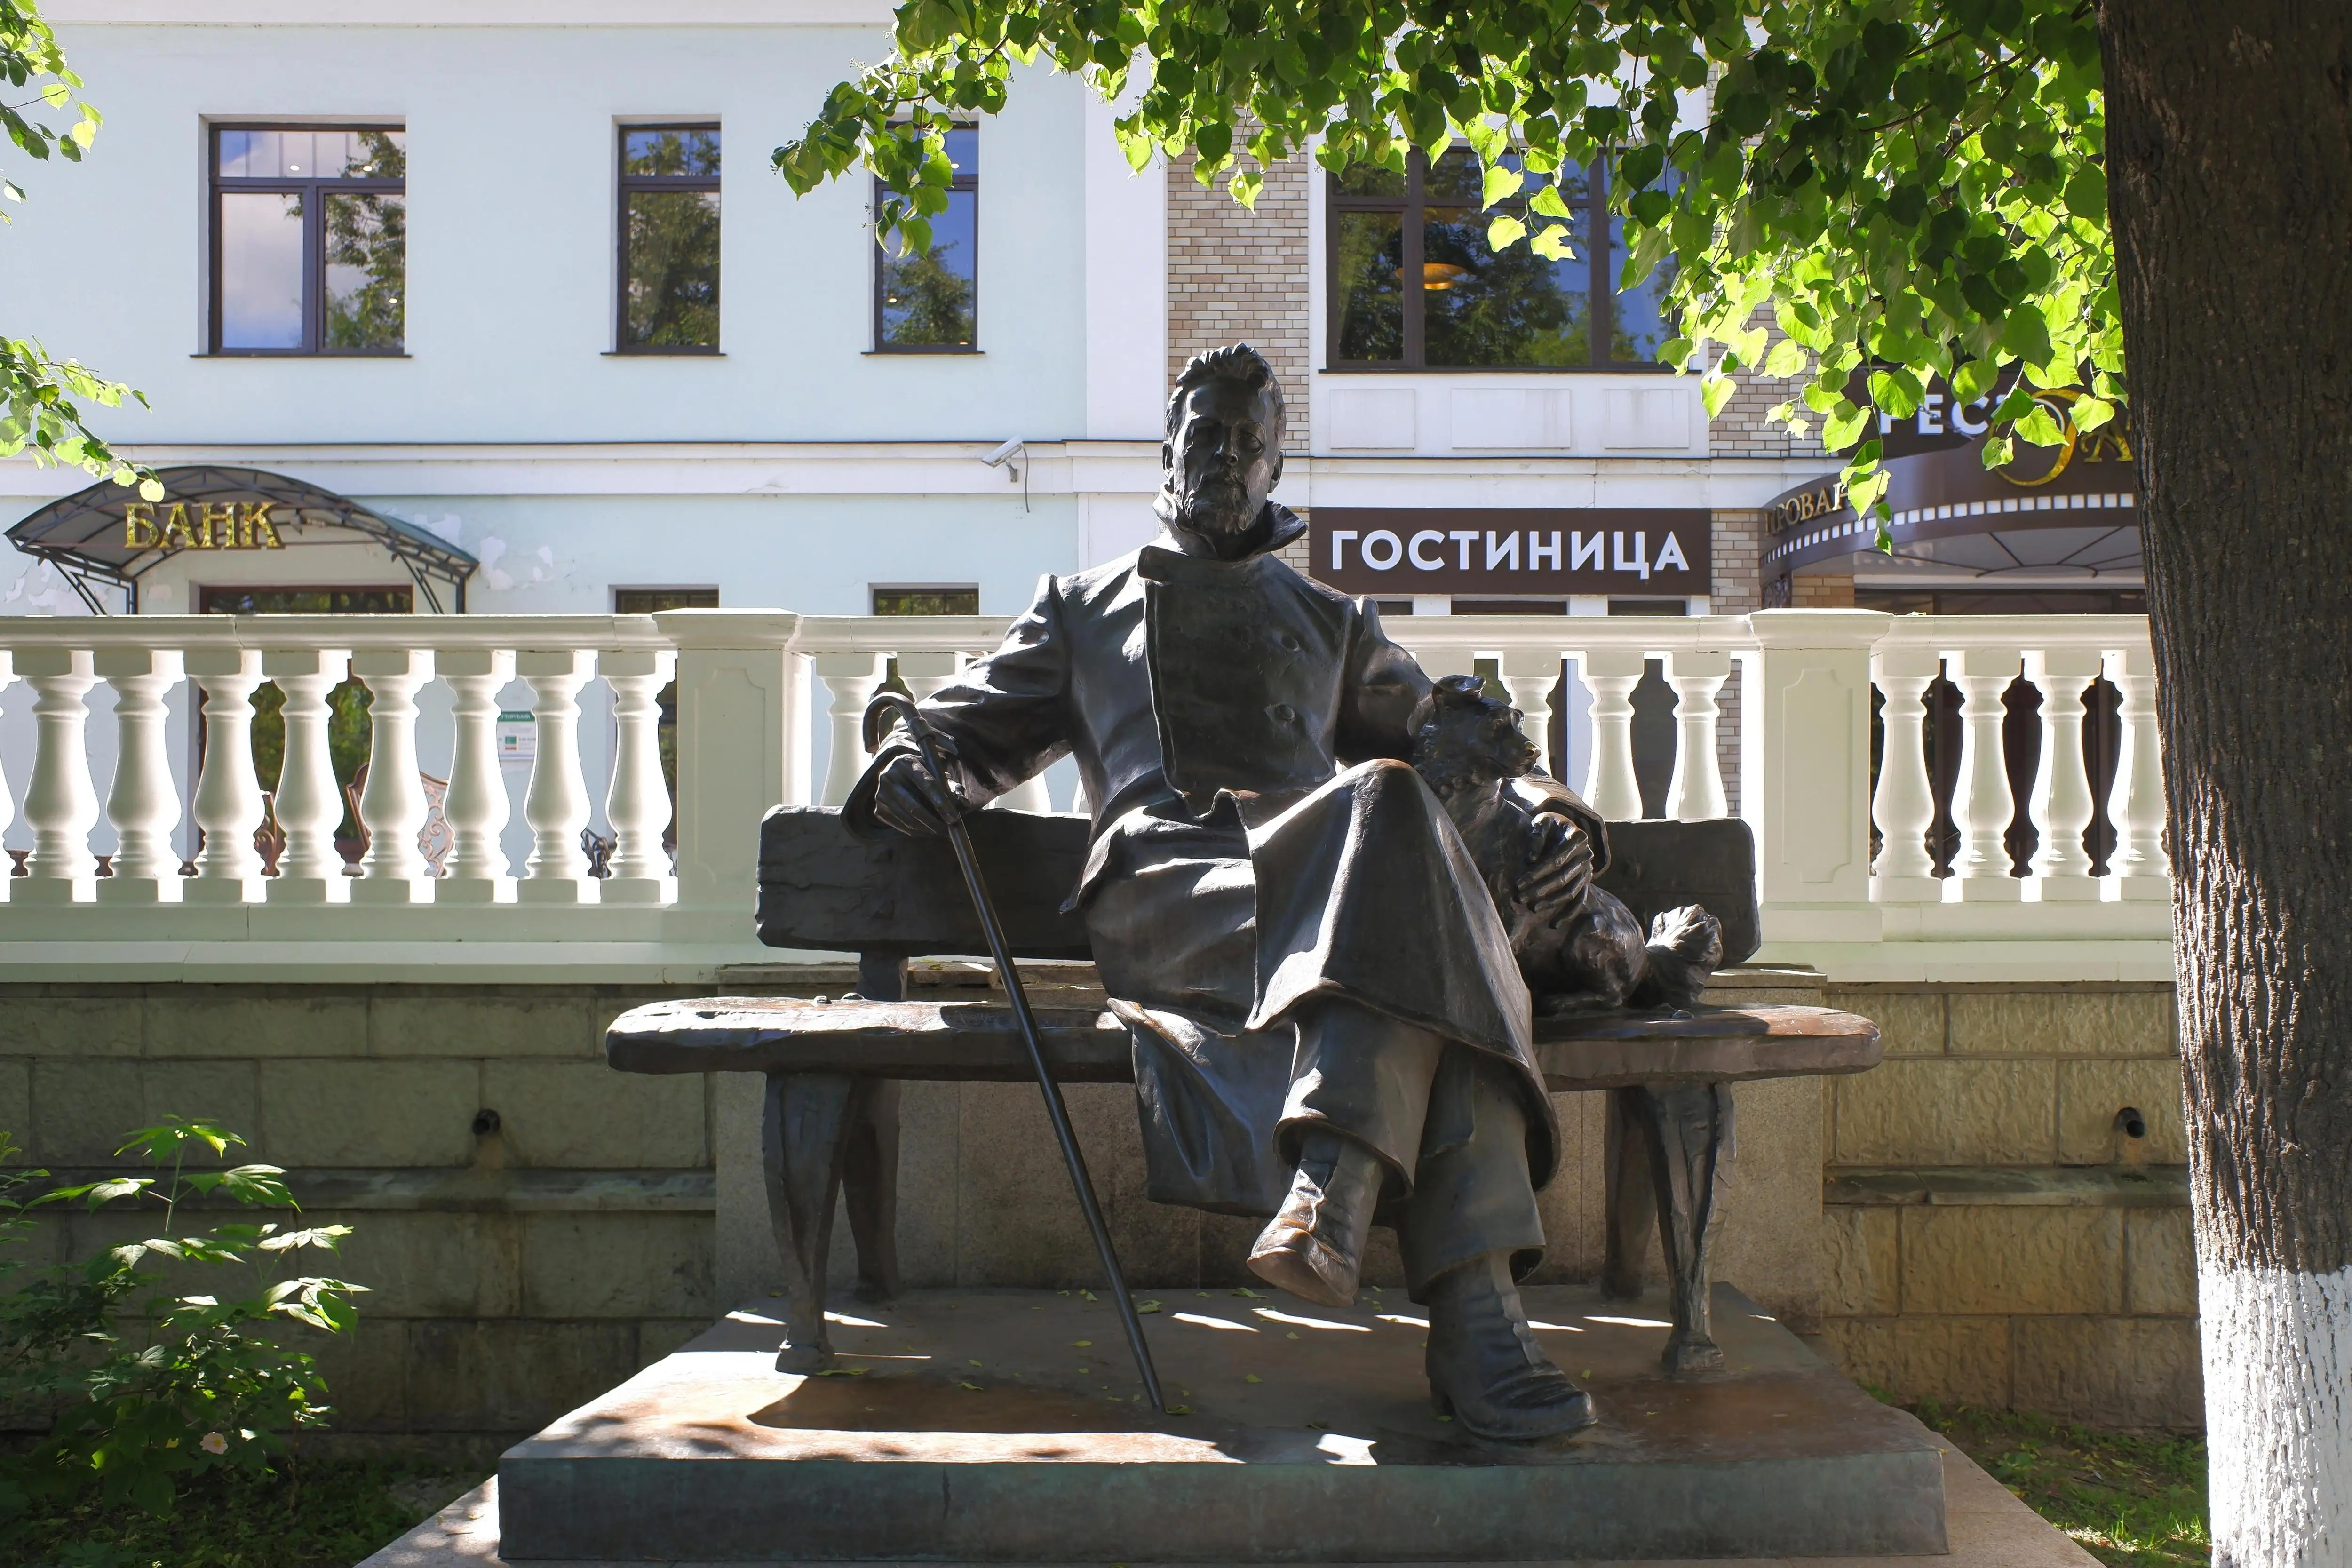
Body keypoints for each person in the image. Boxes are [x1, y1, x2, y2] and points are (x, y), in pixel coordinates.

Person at [847, 344, 1598, 1440]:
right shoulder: (1081, 606)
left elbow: (1468, 739)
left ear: (1277, 463)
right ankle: (1462, 1302)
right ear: (1168, 447)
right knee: (1419, 897)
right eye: (1205, 435)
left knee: (1411, 872)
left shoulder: (1333, 623)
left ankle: (1350, 1208)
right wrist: (909, 759)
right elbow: (946, 728)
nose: (1225, 458)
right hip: (1170, 892)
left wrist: (1551, 814)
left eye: (1249, 443)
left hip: (1319, 905)